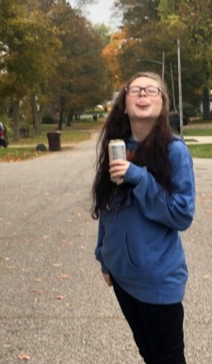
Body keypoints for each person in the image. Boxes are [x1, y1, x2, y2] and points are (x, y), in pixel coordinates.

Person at [92, 72, 195, 364]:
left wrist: (139, 178)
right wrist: (104, 257)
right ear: (124, 104)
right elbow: (108, 208)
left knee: (168, 358)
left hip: (158, 280)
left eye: (152, 90)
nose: (143, 94)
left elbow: (182, 214)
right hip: (122, 278)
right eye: (135, 90)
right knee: (148, 353)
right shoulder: (116, 148)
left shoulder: (174, 151)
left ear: (163, 105)